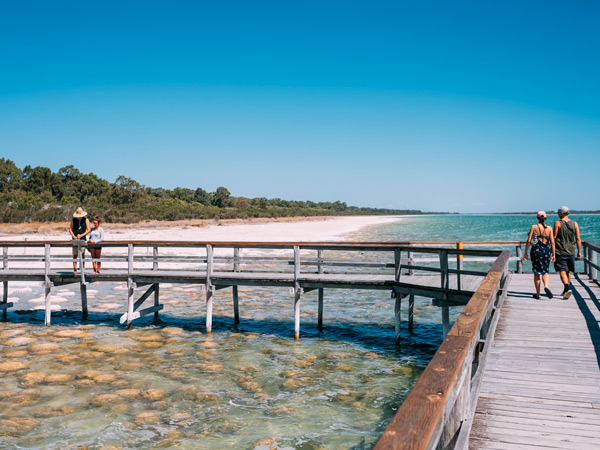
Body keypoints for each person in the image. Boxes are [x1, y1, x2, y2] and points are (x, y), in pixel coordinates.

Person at [524, 211, 555, 299]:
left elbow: (529, 241)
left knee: (537, 272)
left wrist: (525, 253)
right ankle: (546, 286)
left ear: (537, 218)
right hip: (546, 252)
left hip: (536, 252)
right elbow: (552, 242)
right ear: (545, 218)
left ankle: (538, 294)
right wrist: (554, 255)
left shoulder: (534, 227)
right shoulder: (549, 228)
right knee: (545, 271)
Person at [553, 206, 582, 299]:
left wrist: (551, 250)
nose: (558, 215)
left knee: (562, 270)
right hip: (571, 251)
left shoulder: (558, 223)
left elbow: (554, 237)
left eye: (558, 213)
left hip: (560, 250)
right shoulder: (575, 223)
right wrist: (579, 252)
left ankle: (566, 286)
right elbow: (578, 238)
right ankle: (566, 289)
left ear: (561, 213)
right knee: (568, 270)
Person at [68, 207, 90, 274]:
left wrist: (81, 235)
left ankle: (82, 268)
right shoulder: (73, 220)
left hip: (82, 239)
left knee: (82, 254)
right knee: (75, 254)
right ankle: (75, 269)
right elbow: (70, 229)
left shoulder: (86, 220)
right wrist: (74, 237)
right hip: (75, 239)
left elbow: (88, 230)